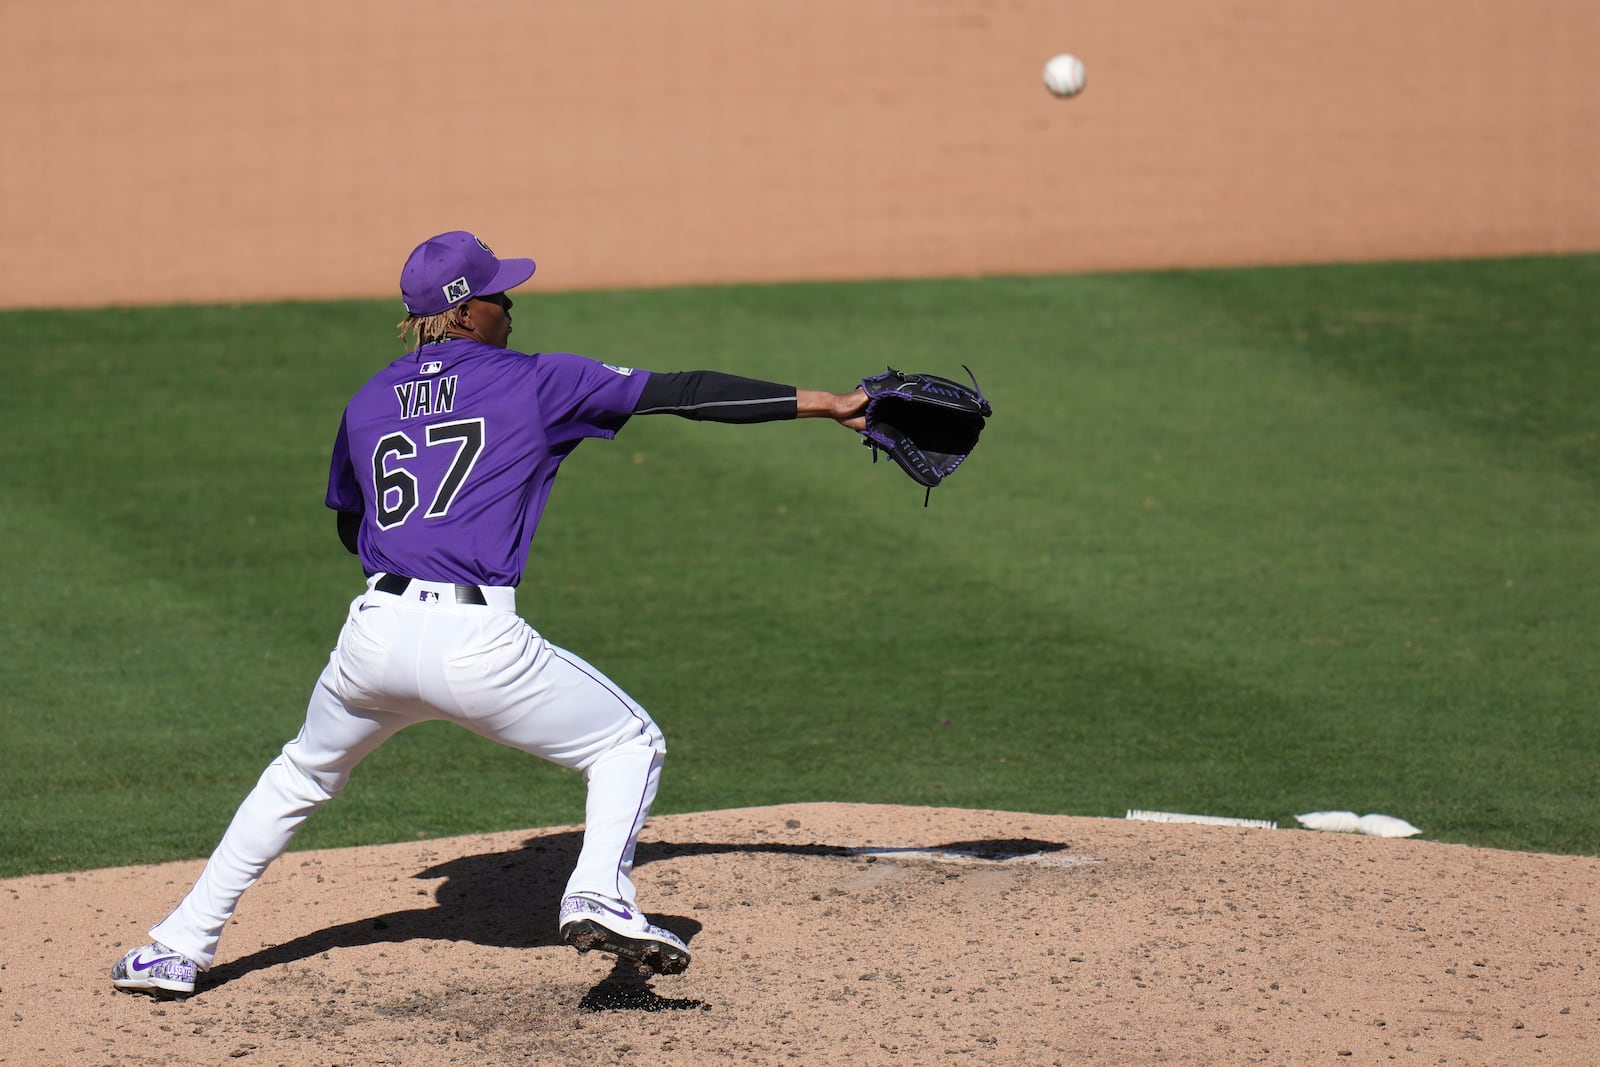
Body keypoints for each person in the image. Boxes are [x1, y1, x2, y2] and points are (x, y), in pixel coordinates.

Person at [112, 230, 869, 998]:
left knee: (300, 773)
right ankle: (599, 891)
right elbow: (684, 391)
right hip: (475, 641)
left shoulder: (369, 397)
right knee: (626, 741)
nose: (512, 307)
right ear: (467, 312)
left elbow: (353, 521)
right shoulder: (537, 381)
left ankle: (177, 946)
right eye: (501, 296)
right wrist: (831, 404)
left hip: (371, 633)